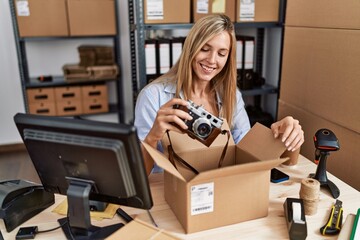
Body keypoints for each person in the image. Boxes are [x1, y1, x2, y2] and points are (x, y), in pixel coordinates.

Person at [135, 14, 304, 174]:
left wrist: (286, 137)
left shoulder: (231, 96)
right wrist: (152, 138)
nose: (212, 60)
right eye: (205, 49)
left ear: (228, 58)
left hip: (216, 187)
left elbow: (247, 153)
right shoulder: (153, 96)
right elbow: (140, 177)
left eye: (221, 53)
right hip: (170, 190)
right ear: (191, 48)